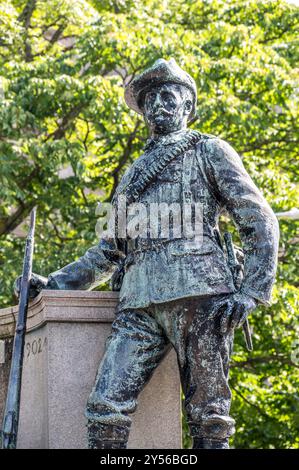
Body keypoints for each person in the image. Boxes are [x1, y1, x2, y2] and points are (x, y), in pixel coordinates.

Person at [15, 59, 279, 449]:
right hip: (138, 302)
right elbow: (107, 251)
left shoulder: (209, 151)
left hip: (202, 294)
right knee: (105, 407)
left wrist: (251, 291)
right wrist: (53, 283)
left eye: (168, 96)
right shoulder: (135, 172)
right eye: (149, 98)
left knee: (211, 416)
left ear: (188, 106)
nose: (158, 104)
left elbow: (257, 217)